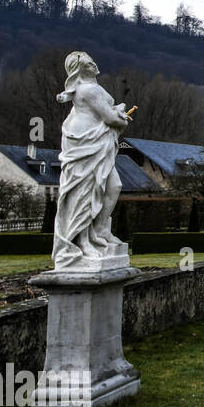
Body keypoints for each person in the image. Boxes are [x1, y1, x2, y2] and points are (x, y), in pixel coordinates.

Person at [52, 52, 132, 268]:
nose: (93, 64)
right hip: (85, 141)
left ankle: (100, 231)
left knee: (112, 186)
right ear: (79, 70)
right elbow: (109, 118)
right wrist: (121, 117)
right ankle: (83, 241)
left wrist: (116, 114)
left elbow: (106, 114)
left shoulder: (89, 88)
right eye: (88, 64)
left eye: (92, 60)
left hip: (96, 142)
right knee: (85, 191)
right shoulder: (88, 89)